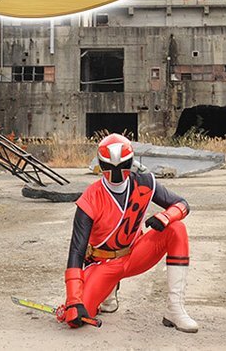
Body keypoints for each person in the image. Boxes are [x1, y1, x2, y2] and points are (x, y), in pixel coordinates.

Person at [59, 133, 198, 332]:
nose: (116, 172)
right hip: (103, 263)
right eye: (110, 166)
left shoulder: (145, 183)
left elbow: (182, 204)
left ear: (131, 162)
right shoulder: (91, 197)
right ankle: (107, 291)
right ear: (101, 165)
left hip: (135, 255)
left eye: (122, 165)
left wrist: (167, 216)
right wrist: (73, 299)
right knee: (77, 317)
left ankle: (175, 309)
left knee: (177, 229)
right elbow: (77, 250)